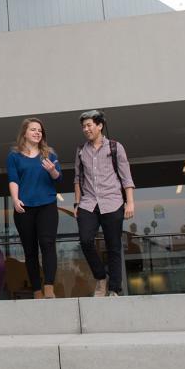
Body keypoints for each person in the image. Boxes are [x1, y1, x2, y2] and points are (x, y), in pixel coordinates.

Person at [74, 110, 135, 297]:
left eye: (89, 125)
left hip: (113, 202)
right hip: (88, 203)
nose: (86, 129)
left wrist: (130, 202)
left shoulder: (116, 147)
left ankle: (115, 288)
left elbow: (126, 177)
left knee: (113, 246)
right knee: (85, 241)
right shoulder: (81, 151)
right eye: (83, 126)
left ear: (99, 125)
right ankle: (101, 277)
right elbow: (77, 179)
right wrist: (77, 203)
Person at [7, 118, 62, 299]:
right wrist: (15, 200)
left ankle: (49, 288)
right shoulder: (14, 156)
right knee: (30, 251)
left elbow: (58, 179)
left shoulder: (49, 155)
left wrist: (53, 171)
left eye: (40, 130)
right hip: (24, 208)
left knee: (47, 245)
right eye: (33, 130)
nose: (37, 132)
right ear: (25, 133)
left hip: (47, 205)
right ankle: (37, 290)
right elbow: (13, 179)